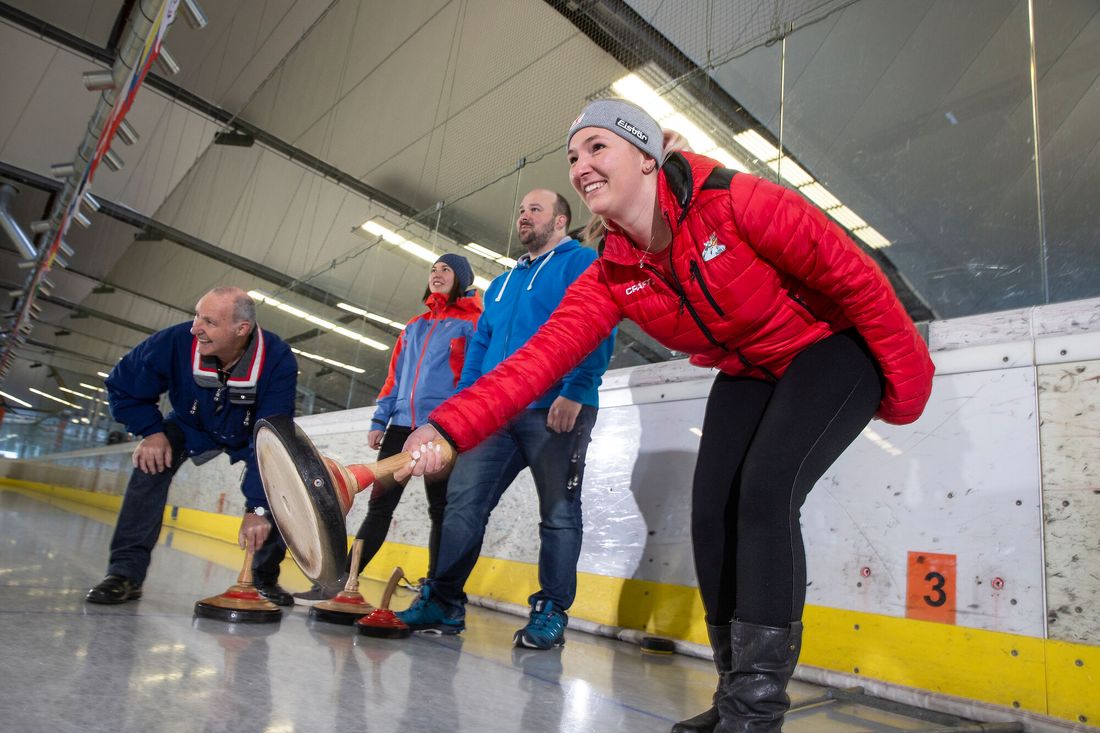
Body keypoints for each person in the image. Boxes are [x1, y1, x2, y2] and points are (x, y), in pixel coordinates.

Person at [397, 99, 935, 732]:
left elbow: (856, 280)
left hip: (829, 346)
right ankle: (738, 696)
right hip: (750, 367)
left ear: (648, 156)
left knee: (765, 491)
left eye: (598, 147)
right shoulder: (612, 275)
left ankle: (758, 714)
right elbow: (535, 361)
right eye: (573, 156)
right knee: (710, 510)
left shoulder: (736, 202)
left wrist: (905, 389)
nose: (582, 166)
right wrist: (450, 424)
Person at [395, 188, 616, 650]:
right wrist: (462, 410)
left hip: (556, 407)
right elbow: (479, 348)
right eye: (520, 210)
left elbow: (600, 324)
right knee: (462, 505)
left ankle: (551, 610)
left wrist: (576, 390)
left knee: (557, 513)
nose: (523, 216)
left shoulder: (580, 264)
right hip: (495, 413)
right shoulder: (502, 284)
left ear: (560, 221)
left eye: (535, 209)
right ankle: (444, 603)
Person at [86, 287, 298, 606]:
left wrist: (256, 506)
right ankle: (124, 573)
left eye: (208, 321)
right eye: (196, 315)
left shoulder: (278, 359)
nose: (195, 327)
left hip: (250, 433)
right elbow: (122, 385)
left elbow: (271, 436)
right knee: (149, 469)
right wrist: (151, 432)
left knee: (278, 484)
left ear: (241, 329)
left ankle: (262, 579)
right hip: (189, 424)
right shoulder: (175, 342)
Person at [293, 254, 482, 602]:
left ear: (462, 279)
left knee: (441, 510)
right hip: (398, 428)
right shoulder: (413, 326)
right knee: (379, 508)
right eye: (433, 269)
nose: (437, 274)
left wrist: (456, 423)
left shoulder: (471, 323)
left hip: (440, 429)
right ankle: (341, 581)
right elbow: (395, 377)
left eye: (446, 270)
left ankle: (435, 590)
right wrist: (381, 419)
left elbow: (471, 379)